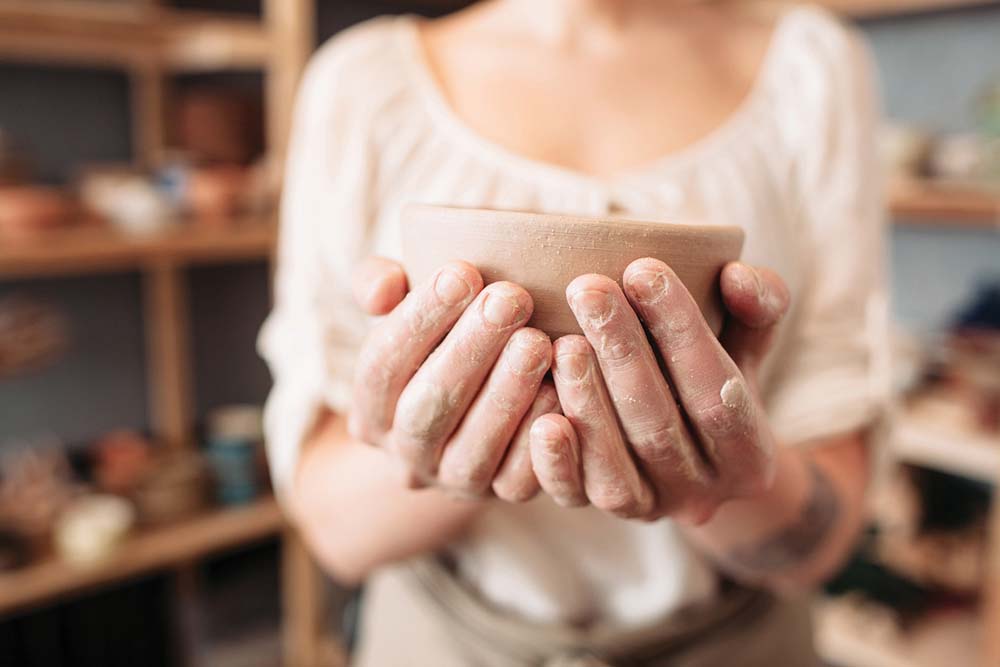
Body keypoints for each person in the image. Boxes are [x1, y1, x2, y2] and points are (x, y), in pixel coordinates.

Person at [258, 1, 889, 664]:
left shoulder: (811, 70)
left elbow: (825, 534)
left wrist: (724, 479)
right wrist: (423, 449)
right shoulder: (362, 84)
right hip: (445, 639)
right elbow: (334, 529)